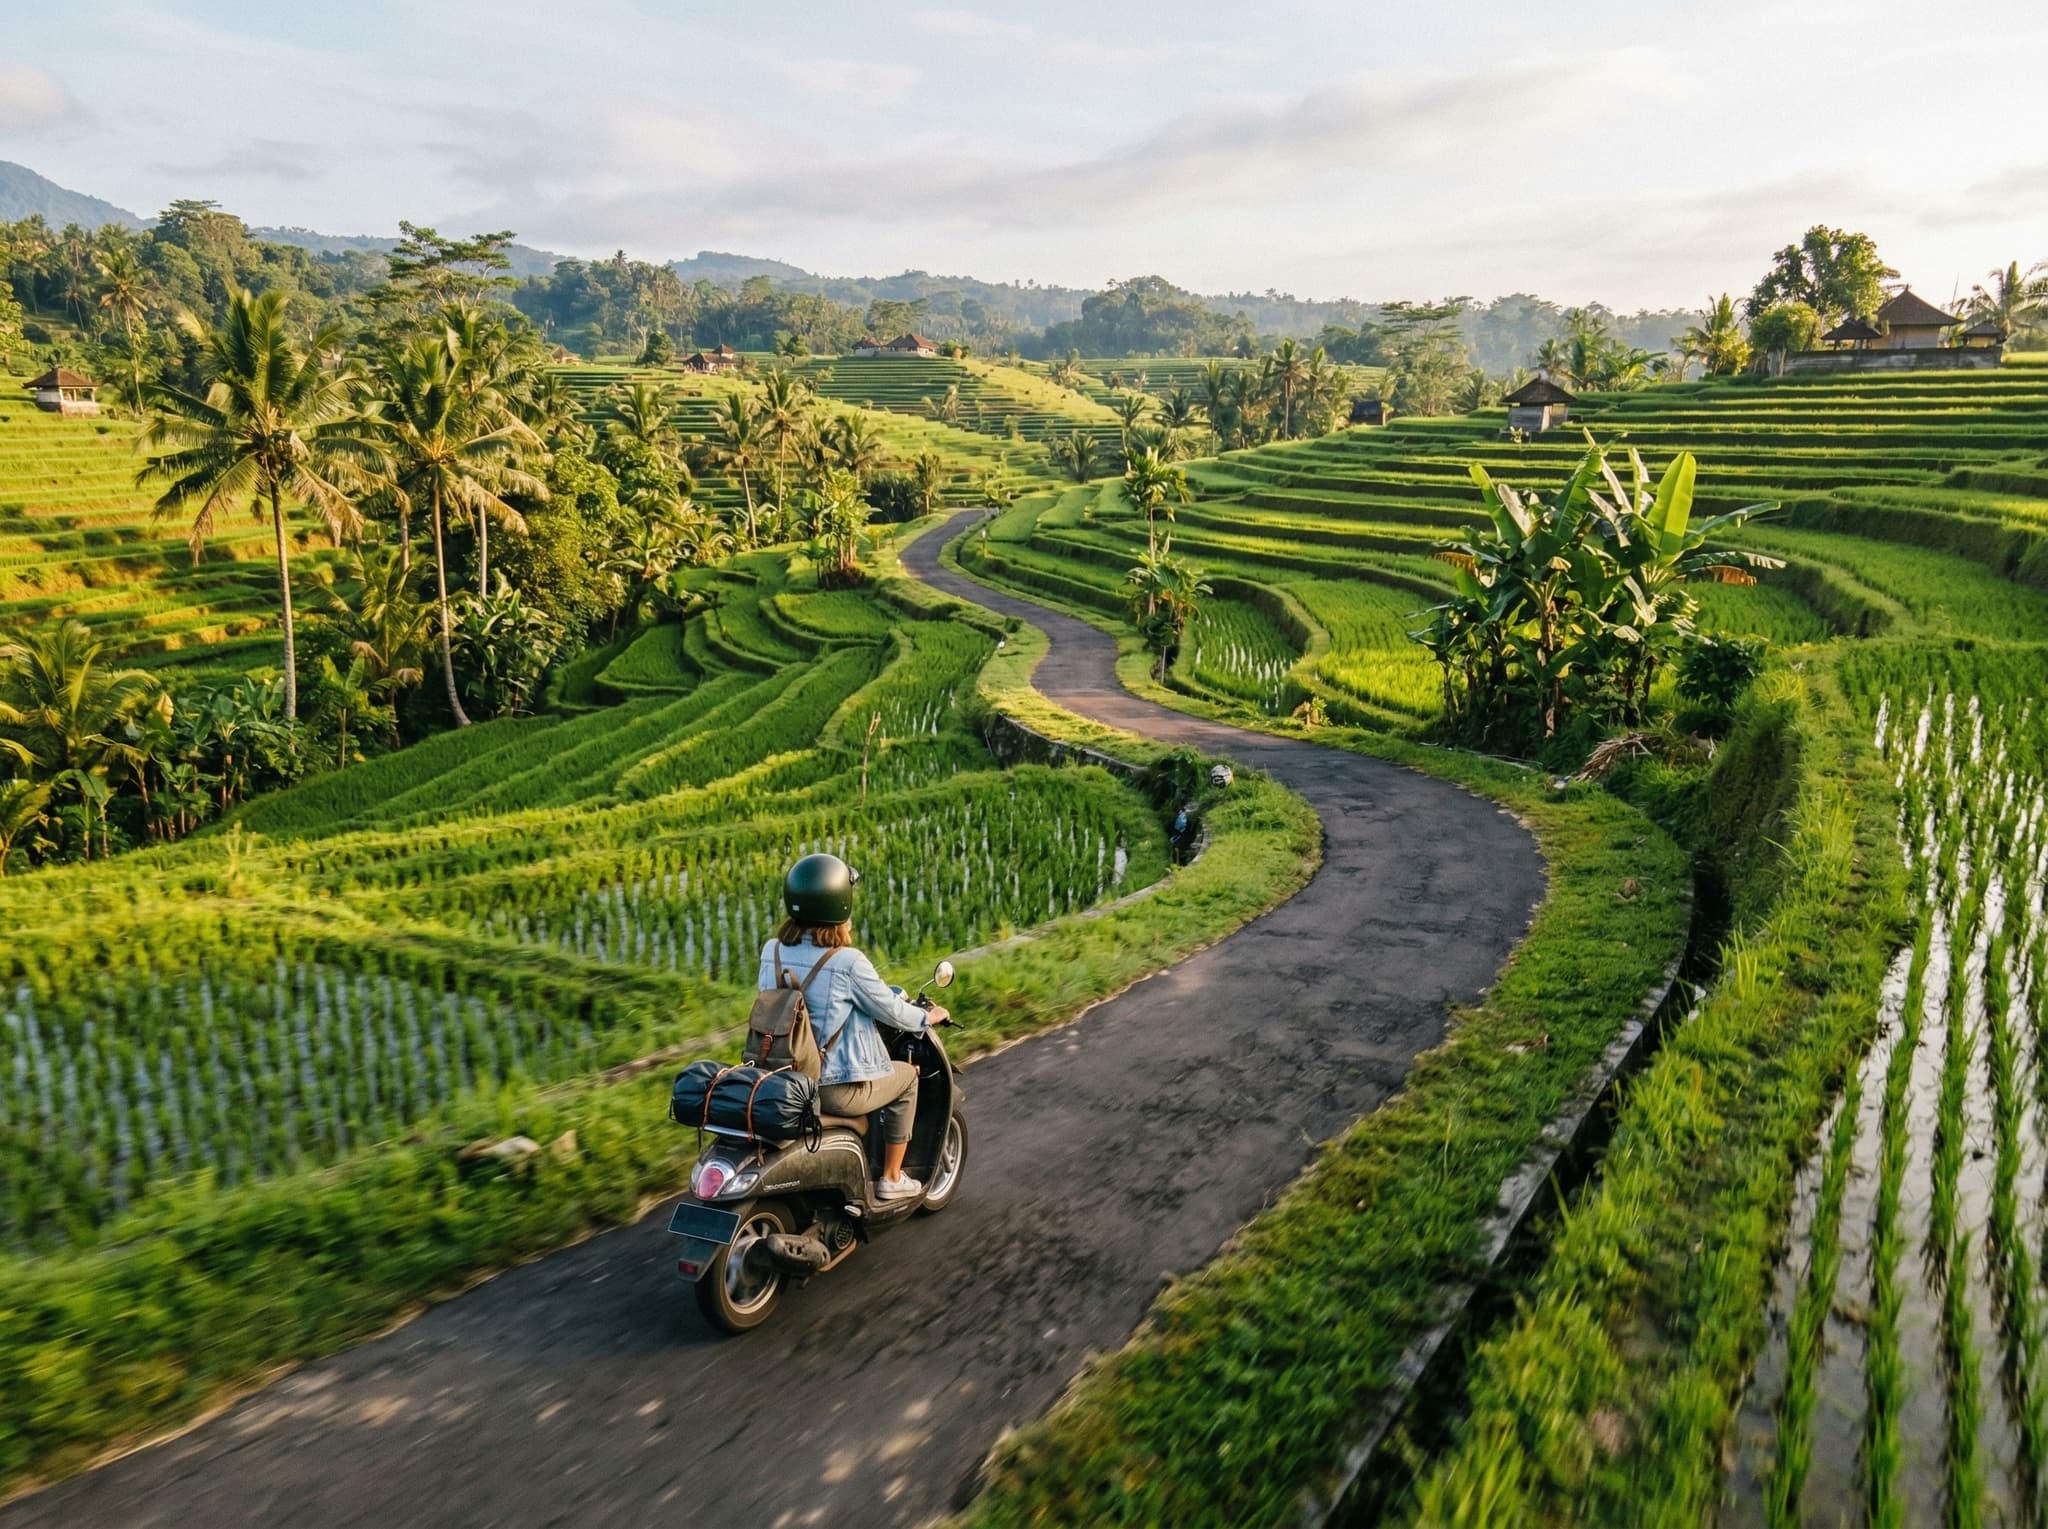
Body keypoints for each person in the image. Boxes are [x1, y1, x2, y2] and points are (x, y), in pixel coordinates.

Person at [761, 853, 949, 1200]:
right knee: (906, 1077)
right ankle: (892, 1178)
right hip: (831, 1088)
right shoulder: (847, 962)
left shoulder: (772, 951)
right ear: (840, 902)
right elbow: (891, 1010)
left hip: (781, 1079)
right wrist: (928, 1017)